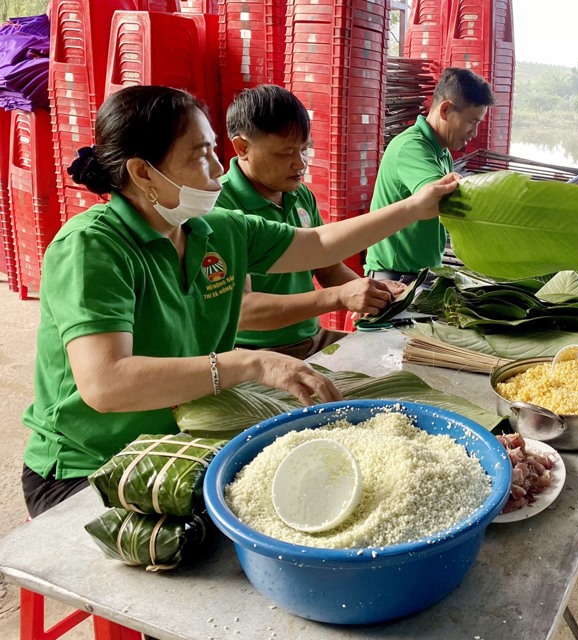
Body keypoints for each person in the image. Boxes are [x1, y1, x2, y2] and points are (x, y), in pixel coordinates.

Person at [21, 85, 458, 519]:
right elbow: (106, 384)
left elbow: (320, 243)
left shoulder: (217, 228)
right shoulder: (92, 247)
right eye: (199, 155)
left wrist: (415, 208)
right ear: (143, 173)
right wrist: (251, 363)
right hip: (91, 465)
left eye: (212, 150)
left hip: (182, 436)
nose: (216, 167)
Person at [217, 84, 405, 358]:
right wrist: (339, 297)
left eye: (304, 149)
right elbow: (243, 311)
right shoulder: (221, 207)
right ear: (242, 147)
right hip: (253, 354)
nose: (300, 164)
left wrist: (370, 292)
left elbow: (327, 268)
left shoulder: (299, 194)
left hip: (311, 338)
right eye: (285, 153)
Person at [364, 67, 495, 282]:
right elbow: (445, 200)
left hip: (420, 277)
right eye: (472, 121)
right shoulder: (411, 147)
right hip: (394, 280)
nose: (474, 132)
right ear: (445, 110)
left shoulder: (442, 153)